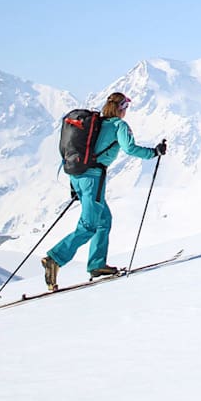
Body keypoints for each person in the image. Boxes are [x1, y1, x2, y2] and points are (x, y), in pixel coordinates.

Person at [42, 92, 166, 290]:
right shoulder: (118, 125)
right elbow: (130, 148)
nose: (126, 111)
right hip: (93, 178)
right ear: (121, 108)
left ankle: (97, 265)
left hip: (77, 177)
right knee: (89, 226)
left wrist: (75, 188)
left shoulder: (96, 124)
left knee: (103, 220)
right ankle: (55, 258)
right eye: (125, 107)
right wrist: (154, 152)